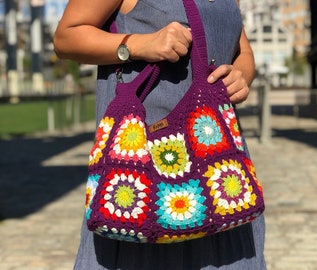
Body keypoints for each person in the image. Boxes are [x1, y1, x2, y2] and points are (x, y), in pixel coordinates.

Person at [54, 0, 266, 269]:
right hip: (144, 183)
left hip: (220, 181)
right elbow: (66, 37)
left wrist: (242, 76)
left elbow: (241, 49)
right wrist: (140, 45)